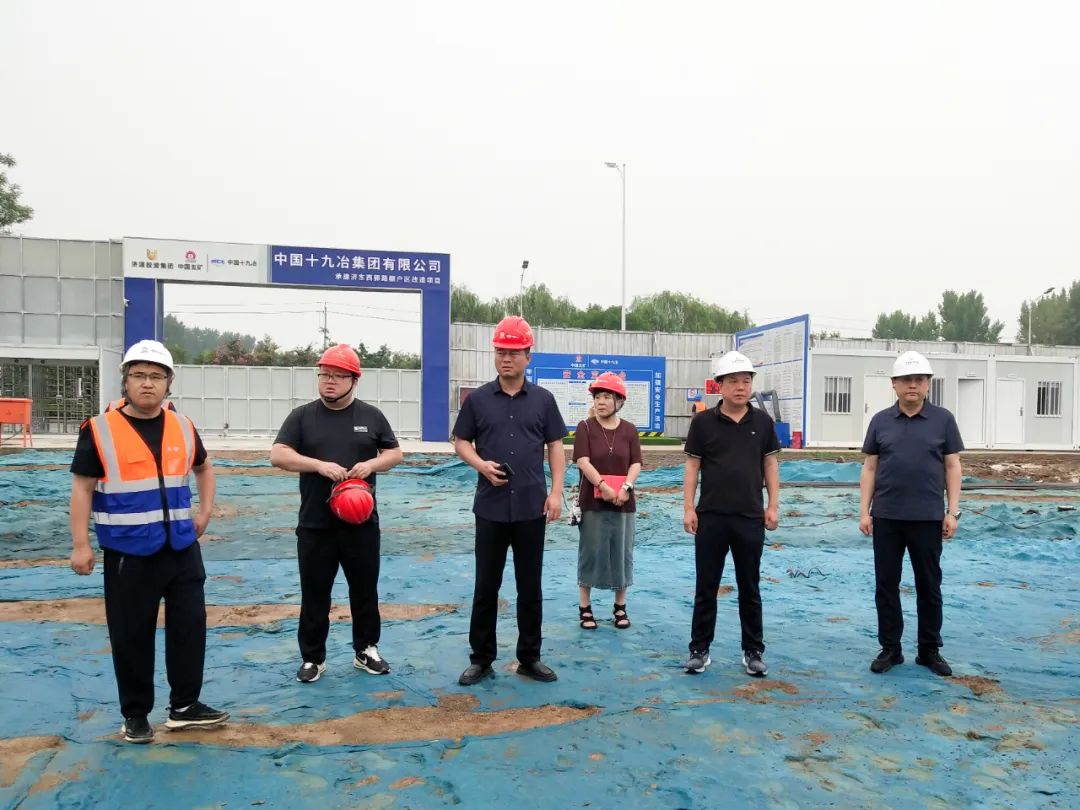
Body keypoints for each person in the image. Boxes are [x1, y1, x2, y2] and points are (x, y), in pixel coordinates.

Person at [69, 339, 227, 744]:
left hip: (181, 547)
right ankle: (136, 715)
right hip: (129, 551)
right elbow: (82, 488)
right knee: (131, 634)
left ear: (168, 383)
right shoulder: (99, 430)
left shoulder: (183, 426)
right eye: (138, 375)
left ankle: (185, 706)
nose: (147, 383)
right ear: (125, 381)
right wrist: (81, 544)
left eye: (156, 376)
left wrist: (205, 512)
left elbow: (204, 468)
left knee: (189, 627)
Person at [270, 344, 404, 683]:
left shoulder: (371, 416)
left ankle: (366, 649)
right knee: (315, 591)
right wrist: (318, 465)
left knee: (364, 589)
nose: (329, 381)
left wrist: (371, 464)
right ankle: (312, 658)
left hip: (361, 524)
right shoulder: (302, 416)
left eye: (338, 376)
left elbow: (395, 453)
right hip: (315, 524)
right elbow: (278, 454)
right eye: (324, 374)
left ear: (354, 380)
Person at [453, 316, 567, 685]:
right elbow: (461, 441)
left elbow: (555, 446)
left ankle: (529, 657)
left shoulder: (544, 401)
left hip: (532, 507)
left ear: (528, 356)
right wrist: (481, 465)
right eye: (501, 352)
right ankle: (481, 658)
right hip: (490, 507)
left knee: (529, 586)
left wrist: (556, 492)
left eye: (514, 352)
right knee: (486, 586)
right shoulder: (478, 400)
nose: (506, 358)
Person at [859, 351, 963, 677]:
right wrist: (864, 511)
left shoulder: (943, 420)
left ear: (928, 384)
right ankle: (891, 648)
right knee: (886, 585)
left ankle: (929, 650)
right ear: (894, 384)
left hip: (928, 518)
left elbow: (952, 466)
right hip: (887, 517)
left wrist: (953, 512)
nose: (913, 385)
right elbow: (870, 467)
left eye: (919, 380)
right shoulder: (880, 421)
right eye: (906, 380)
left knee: (929, 585)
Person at [683, 351, 780, 677]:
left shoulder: (762, 423)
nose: (741, 387)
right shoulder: (703, 423)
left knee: (750, 587)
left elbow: (770, 464)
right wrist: (688, 507)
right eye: (734, 381)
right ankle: (699, 649)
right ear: (719, 386)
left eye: (746, 381)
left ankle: (753, 651)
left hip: (749, 518)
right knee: (706, 586)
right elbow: (692, 466)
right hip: (711, 517)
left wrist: (773, 505)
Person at [573, 372, 642, 630]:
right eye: (597, 397)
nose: (601, 402)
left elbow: (636, 463)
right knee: (591, 552)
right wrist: (603, 486)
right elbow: (583, 461)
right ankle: (585, 608)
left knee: (622, 553)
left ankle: (620, 607)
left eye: (606, 397)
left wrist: (625, 487)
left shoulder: (630, 430)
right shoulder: (585, 427)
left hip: (624, 501)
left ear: (619, 401)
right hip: (593, 502)